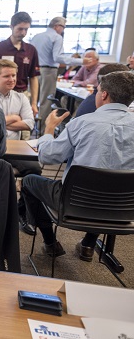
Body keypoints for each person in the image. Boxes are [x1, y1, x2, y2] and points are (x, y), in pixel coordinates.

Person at [21, 71, 134, 259]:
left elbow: (48, 157)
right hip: (124, 209)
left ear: (104, 94)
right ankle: (88, 245)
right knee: (108, 184)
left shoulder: (82, 123)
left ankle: (50, 242)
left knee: (30, 181)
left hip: (74, 205)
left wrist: (49, 129)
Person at [0, 59, 41, 235]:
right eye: (7, 76)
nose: (12, 79)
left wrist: (0, 121)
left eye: (14, 75)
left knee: (35, 170)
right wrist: (13, 118)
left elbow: (29, 124)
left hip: (15, 148)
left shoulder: (21, 97)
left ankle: (21, 212)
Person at [0, 12, 40, 123]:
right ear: (11, 27)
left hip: (21, 95)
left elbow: (33, 77)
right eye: (20, 29)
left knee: (24, 129)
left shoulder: (31, 50)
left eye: (26, 29)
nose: (23, 33)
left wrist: (33, 103)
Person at [30, 17, 83, 131]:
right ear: (57, 26)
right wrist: (81, 61)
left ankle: (28, 128)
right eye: (63, 27)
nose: (63, 30)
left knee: (32, 100)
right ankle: (43, 130)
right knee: (46, 102)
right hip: (48, 71)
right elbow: (58, 57)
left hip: (34, 71)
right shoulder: (57, 37)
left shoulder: (36, 37)